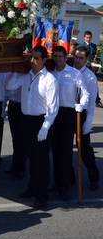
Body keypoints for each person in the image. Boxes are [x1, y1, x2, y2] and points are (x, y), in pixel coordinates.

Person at [7, 46, 59, 209]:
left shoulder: (50, 80)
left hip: (42, 122)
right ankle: (32, 187)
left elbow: (53, 108)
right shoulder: (25, 76)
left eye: (36, 58)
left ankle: (42, 195)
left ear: (44, 60)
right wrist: (16, 70)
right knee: (31, 157)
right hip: (26, 121)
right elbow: (10, 86)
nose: (32, 61)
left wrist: (45, 127)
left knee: (41, 160)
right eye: (31, 57)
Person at [50, 46, 89, 201]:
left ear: (66, 58)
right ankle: (57, 181)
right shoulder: (50, 73)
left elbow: (85, 93)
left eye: (60, 56)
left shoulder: (74, 74)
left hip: (68, 113)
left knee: (65, 151)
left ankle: (64, 187)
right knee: (55, 150)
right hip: (53, 114)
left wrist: (82, 105)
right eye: (55, 56)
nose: (58, 59)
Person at [73, 46, 100, 191]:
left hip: (82, 114)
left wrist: (88, 121)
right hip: (67, 111)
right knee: (62, 148)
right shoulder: (68, 70)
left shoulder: (90, 77)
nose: (77, 60)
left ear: (87, 59)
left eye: (81, 58)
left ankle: (94, 177)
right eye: (76, 57)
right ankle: (67, 177)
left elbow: (90, 104)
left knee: (84, 148)